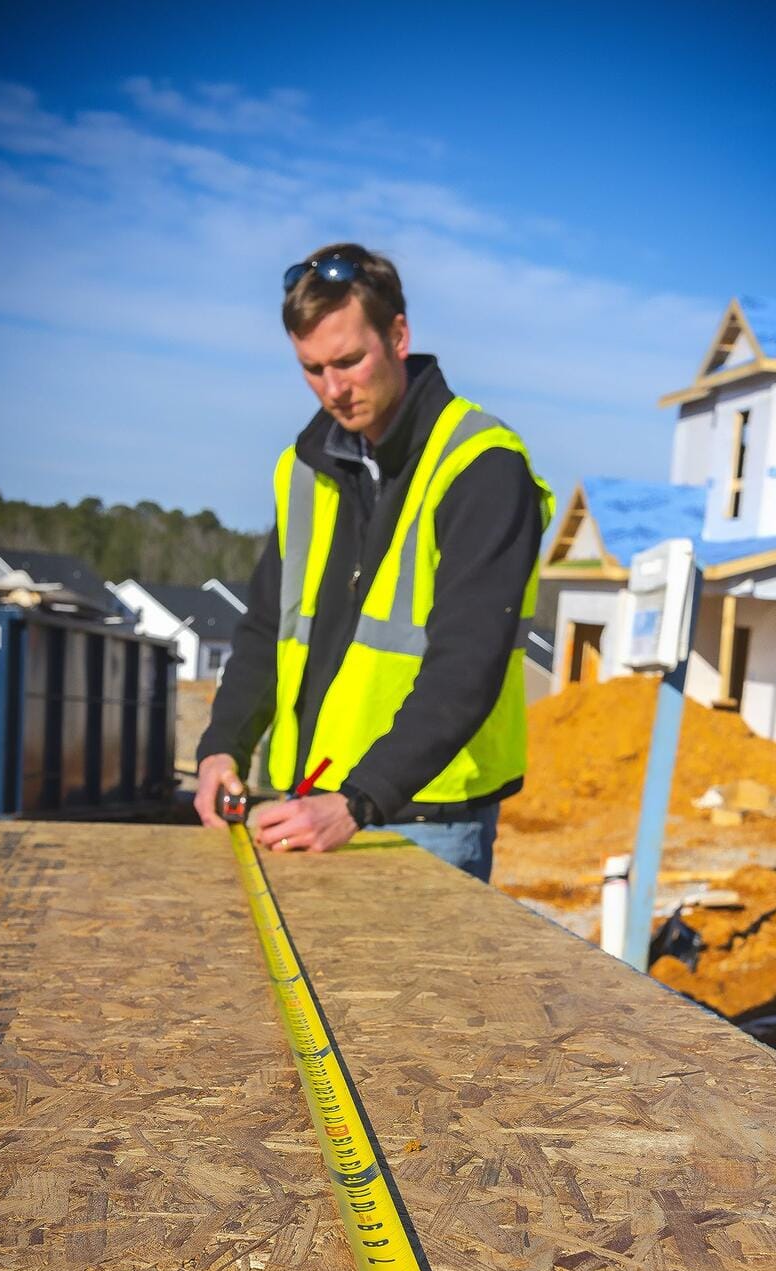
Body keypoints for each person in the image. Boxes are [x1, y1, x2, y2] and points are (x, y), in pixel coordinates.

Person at [194, 242, 552, 882]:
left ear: (399, 335)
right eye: (311, 368)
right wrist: (222, 746)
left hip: (426, 820)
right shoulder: (303, 470)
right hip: (307, 805)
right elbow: (263, 630)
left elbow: (468, 665)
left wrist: (360, 801)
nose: (333, 389)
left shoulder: (482, 466)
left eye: (349, 361)